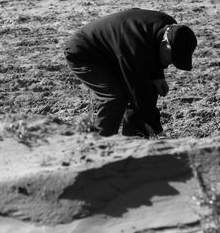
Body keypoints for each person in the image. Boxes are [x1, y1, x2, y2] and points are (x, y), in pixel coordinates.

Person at [64, 8, 197, 138]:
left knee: (148, 87)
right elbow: (137, 93)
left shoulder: (169, 26)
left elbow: (151, 51)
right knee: (115, 96)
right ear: (165, 44)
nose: (170, 64)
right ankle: (100, 144)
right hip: (84, 53)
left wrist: (157, 76)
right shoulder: (135, 48)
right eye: (172, 59)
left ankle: (134, 138)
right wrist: (157, 129)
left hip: (113, 51)